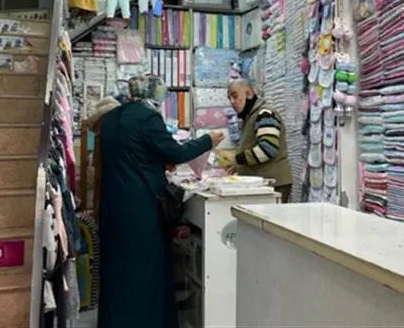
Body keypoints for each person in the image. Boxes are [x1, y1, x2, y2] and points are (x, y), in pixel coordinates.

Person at [96, 75, 224, 328]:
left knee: (117, 270)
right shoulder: (147, 117)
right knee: (144, 270)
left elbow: (130, 155)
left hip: (113, 206)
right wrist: (209, 140)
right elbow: (177, 152)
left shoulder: (111, 118)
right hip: (140, 207)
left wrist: (155, 162)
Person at [223, 80, 293, 203]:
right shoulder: (250, 116)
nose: (232, 102)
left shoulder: (264, 113)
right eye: (229, 98)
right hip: (265, 184)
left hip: (274, 184)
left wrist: (237, 158)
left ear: (248, 94)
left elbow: (268, 149)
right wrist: (239, 165)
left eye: (235, 96)